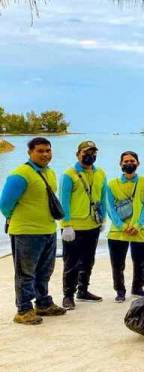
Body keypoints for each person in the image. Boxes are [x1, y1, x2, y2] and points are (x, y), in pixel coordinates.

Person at [0, 137, 67, 324]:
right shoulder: (20, 174)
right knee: (25, 273)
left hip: (48, 229)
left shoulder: (50, 173)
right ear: (29, 152)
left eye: (48, 150)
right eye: (40, 151)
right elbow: (5, 205)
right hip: (26, 232)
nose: (45, 154)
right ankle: (24, 310)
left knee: (45, 270)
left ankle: (43, 303)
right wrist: (21, 219)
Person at [59, 140, 107, 310]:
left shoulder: (100, 173)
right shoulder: (69, 174)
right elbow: (63, 201)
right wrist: (66, 224)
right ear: (78, 154)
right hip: (74, 227)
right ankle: (67, 295)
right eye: (86, 152)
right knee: (71, 263)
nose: (90, 155)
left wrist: (103, 219)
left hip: (93, 224)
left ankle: (83, 290)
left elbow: (103, 197)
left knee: (88, 260)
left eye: (93, 152)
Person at [106, 151, 144, 302]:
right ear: (120, 164)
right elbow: (110, 207)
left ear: (138, 163)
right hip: (118, 231)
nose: (129, 163)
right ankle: (120, 291)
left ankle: (137, 288)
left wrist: (139, 224)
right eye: (125, 161)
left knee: (140, 262)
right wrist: (121, 226)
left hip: (139, 229)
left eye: (132, 161)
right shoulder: (112, 184)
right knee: (117, 264)